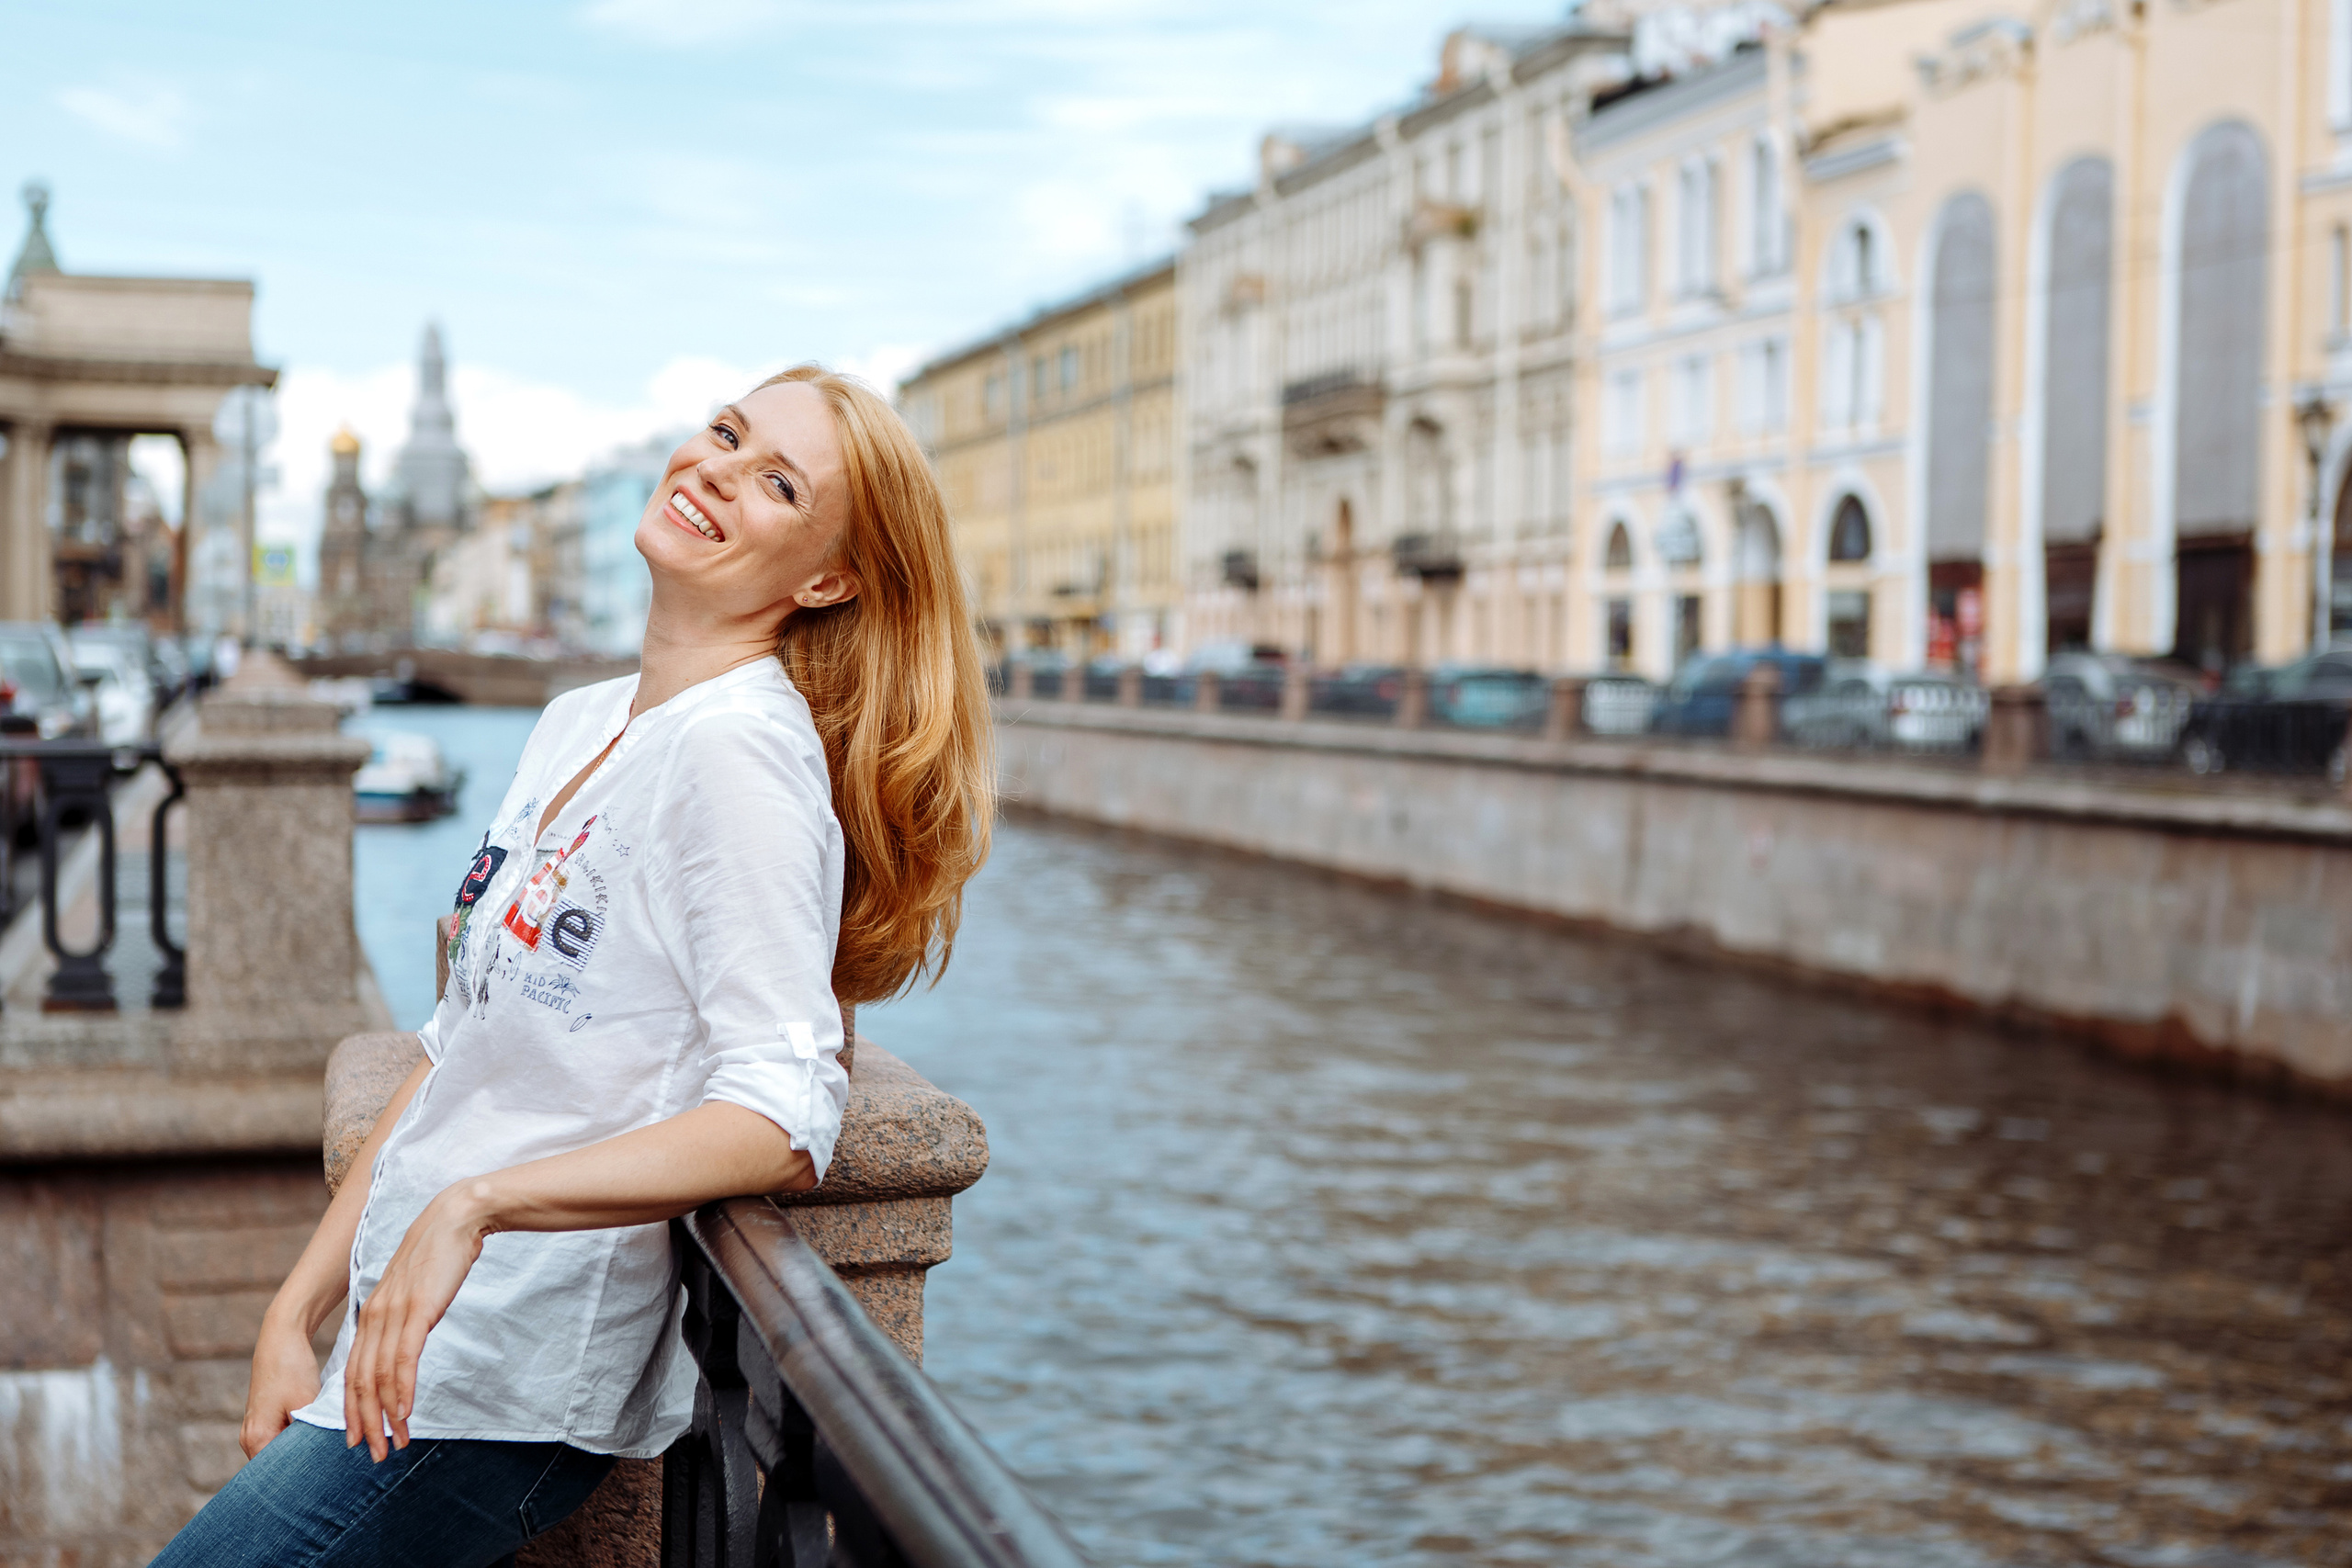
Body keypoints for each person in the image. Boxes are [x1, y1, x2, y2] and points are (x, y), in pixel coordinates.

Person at [152, 367, 994, 1565]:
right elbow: (455, 1053)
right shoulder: (581, 723)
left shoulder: (741, 757)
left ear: (825, 577)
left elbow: (784, 1108)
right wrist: (297, 1306)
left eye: (776, 482)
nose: (714, 470)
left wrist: (481, 1204)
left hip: (507, 1384)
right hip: (406, 1342)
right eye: (725, 432)